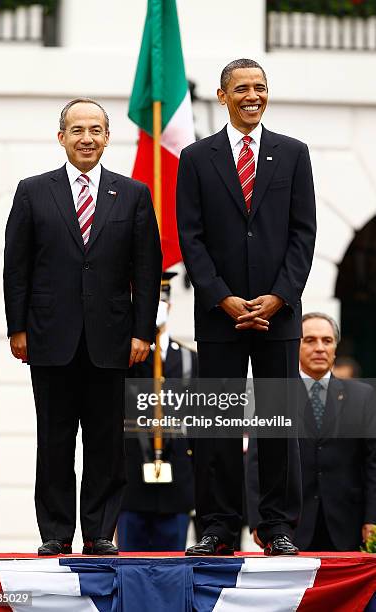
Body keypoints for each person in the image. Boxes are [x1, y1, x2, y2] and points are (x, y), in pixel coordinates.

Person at [3, 98, 162, 556]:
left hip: (112, 340)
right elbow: (18, 266)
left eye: (95, 130)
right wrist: (18, 327)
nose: (86, 138)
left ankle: (99, 533)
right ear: (61, 137)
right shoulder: (33, 191)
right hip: (50, 336)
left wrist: (142, 332)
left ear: (107, 137)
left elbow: (146, 269)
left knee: (106, 442)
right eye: (77, 130)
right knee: (53, 439)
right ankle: (54, 532)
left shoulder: (132, 194)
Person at [176, 58, 316, 556]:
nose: (252, 95)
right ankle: (217, 527)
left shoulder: (293, 154)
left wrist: (280, 297)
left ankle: (277, 526)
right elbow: (189, 236)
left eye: (259, 87)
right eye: (241, 88)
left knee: (278, 423)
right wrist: (222, 297)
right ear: (222, 96)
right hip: (220, 314)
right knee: (218, 424)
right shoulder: (195, 159)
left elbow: (304, 233)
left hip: (279, 313)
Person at [246, 313, 376, 551]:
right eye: (310, 340)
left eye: (327, 341)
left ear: (335, 349)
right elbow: (257, 461)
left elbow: (372, 464)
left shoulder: (363, 396)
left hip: (349, 525)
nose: (319, 348)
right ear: (296, 346)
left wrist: (373, 519)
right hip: (288, 527)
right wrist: (258, 519)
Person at [118, 272, 196, 551]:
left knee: (173, 572)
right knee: (129, 572)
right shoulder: (122, 357)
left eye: (160, 301)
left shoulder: (188, 359)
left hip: (177, 483)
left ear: (170, 306)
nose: (155, 309)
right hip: (131, 483)